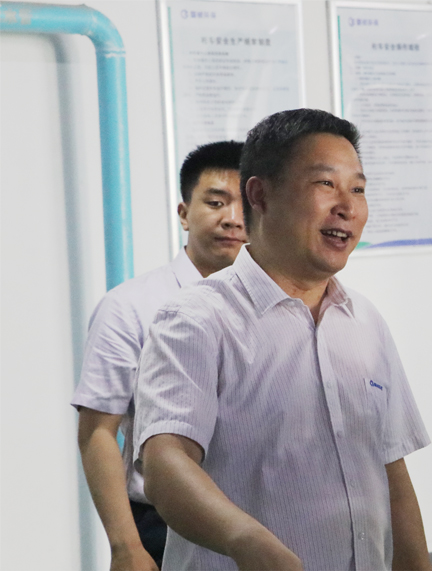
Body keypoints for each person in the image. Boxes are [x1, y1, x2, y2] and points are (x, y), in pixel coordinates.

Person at [133, 109, 432, 571]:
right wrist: (245, 539)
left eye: (358, 189)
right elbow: (166, 464)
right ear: (260, 194)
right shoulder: (196, 319)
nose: (348, 207)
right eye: (325, 184)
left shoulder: (364, 321)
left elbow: (391, 472)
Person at [72, 140, 246, 570]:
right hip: (164, 525)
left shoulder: (279, 306)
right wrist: (125, 547)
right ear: (184, 213)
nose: (232, 218)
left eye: (245, 205)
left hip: (262, 519)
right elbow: (97, 432)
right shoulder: (129, 306)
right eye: (216, 202)